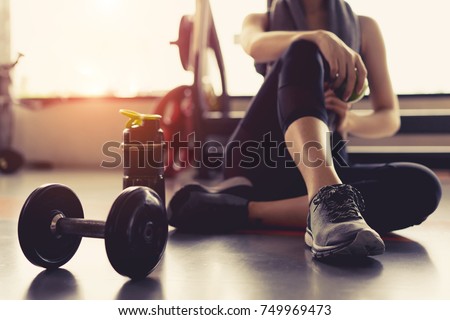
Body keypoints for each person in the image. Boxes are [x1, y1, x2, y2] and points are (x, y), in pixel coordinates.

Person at [167, 0, 442, 259]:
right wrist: (321, 37)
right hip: (261, 160)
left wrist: (350, 122)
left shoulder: (365, 27)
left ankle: (243, 209)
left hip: (321, 164)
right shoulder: (260, 20)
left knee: (423, 186)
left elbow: (389, 117)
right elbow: (254, 45)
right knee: (304, 47)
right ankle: (327, 198)